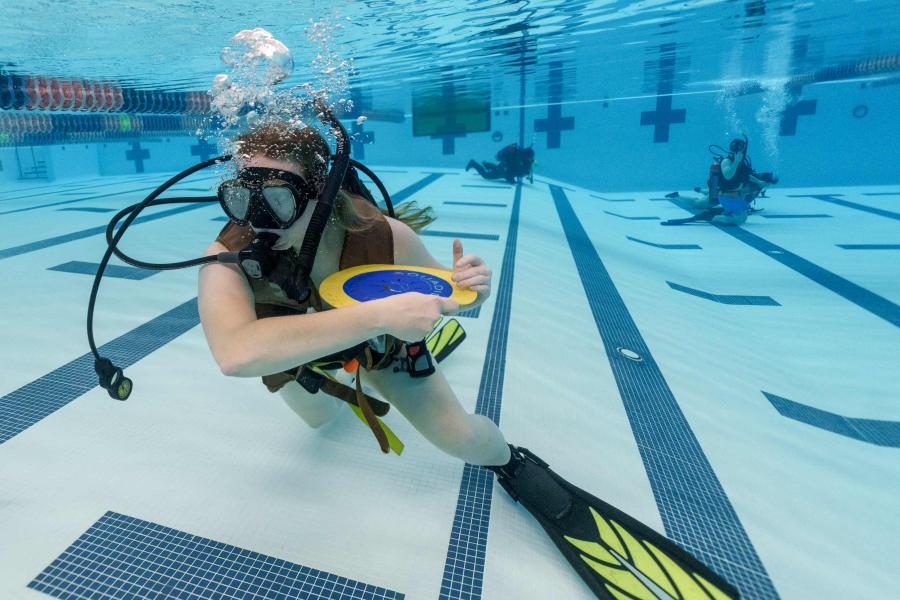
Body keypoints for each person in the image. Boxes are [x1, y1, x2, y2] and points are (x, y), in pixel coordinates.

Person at [194, 118, 738, 599]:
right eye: (241, 198)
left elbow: (450, 300)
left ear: (321, 191)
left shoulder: (382, 236)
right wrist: (378, 317)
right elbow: (234, 353)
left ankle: (514, 462)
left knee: (459, 438)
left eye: (278, 198)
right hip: (294, 354)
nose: (258, 218)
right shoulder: (228, 255)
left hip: (381, 349)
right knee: (320, 420)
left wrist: (469, 285)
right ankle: (338, 379)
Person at [663, 135, 778, 226]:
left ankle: (703, 192)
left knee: (706, 204)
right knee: (698, 204)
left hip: (730, 195)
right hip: (721, 194)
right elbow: (728, 176)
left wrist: (758, 182)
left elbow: (745, 176)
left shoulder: (747, 171)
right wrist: (737, 161)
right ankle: (678, 195)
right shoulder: (727, 162)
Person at [466, 142, 535, 183]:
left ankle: (486, 164)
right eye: (529, 158)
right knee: (486, 175)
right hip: (504, 170)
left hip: (505, 168)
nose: (529, 159)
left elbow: (514, 169)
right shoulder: (520, 157)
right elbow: (511, 172)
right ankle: (473, 163)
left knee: (497, 168)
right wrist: (510, 179)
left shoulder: (521, 155)